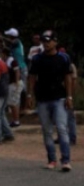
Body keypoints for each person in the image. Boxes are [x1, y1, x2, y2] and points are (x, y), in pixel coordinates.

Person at [27, 30, 73, 171]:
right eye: (44, 41)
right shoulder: (37, 59)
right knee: (47, 130)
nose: (46, 43)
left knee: (61, 128)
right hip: (42, 98)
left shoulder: (63, 58)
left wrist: (69, 96)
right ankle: (51, 159)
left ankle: (65, 160)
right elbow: (32, 77)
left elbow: (68, 77)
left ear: (55, 42)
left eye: (48, 40)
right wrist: (30, 95)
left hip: (59, 97)